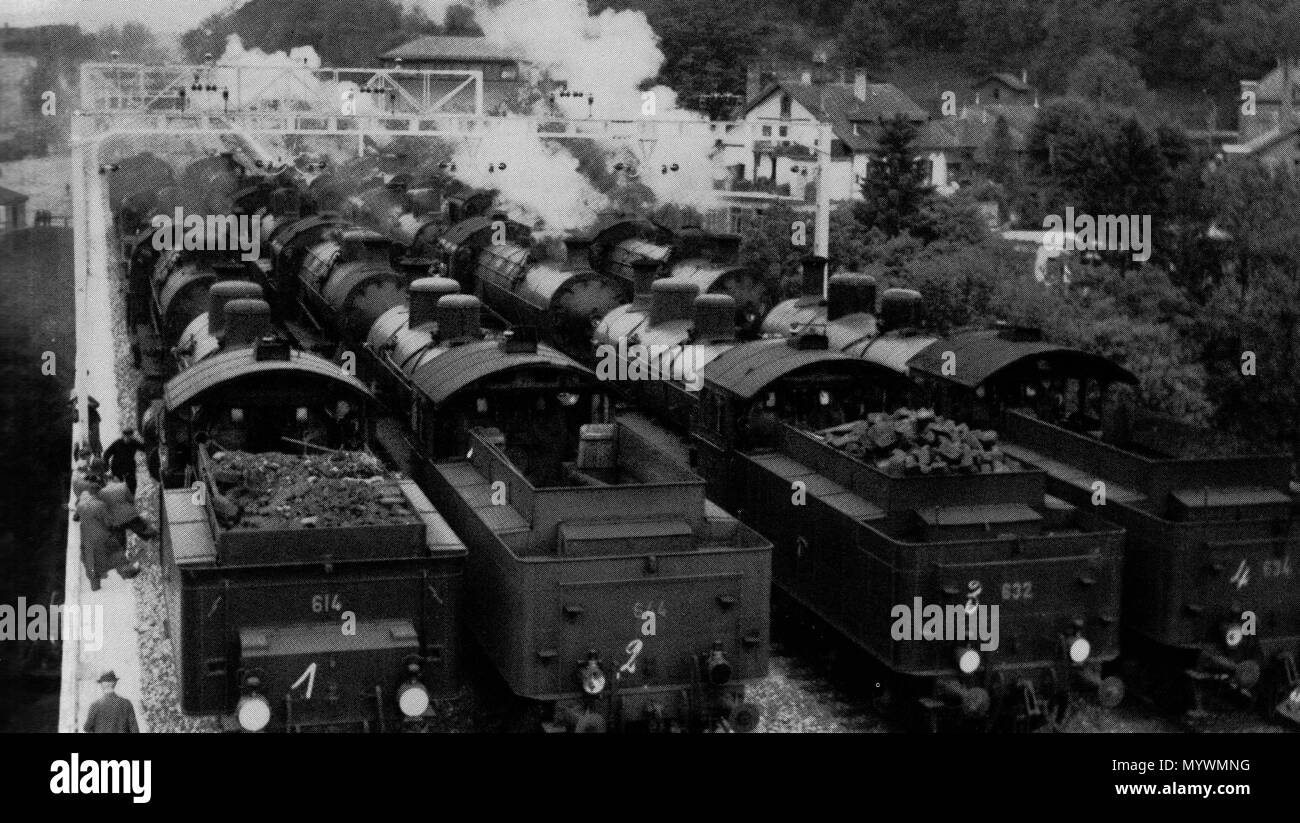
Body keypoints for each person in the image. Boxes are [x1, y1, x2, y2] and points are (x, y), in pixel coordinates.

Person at [104, 428, 145, 496]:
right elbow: (106, 454)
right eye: (126, 437)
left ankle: (131, 499)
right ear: (123, 436)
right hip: (117, 468)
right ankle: (119, 500)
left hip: (129, 467)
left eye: (130, 437)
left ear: (132, 436)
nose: (128, 439)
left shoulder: (134, 443)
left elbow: (145, 448)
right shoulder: (117, 443)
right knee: (118, 487)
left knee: (132, 484)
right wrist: (106, 465)